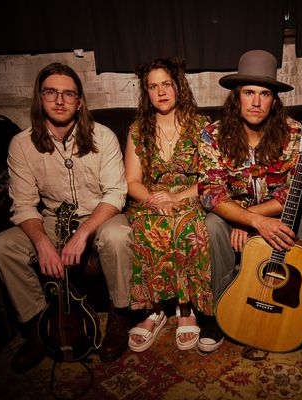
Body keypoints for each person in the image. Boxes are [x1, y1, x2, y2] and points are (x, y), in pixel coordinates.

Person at [0, 62, 135, 371]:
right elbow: (23, 205)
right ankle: (39, 326)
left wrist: (83, 233)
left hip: (100, 214)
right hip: (52, 219)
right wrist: (42, 243)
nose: (59, 100)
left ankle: (120, 315)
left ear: (79, 102)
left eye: (68, 94)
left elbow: (114, 194)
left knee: (119, 234)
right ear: (40, 97)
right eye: (51, 92)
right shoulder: (21, 144)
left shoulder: (103, 136)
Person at [197, 49, 302, 352]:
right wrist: (249, 220)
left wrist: (253, 218)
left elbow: (297, 191)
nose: (256, 102)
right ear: (237, 97)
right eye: (249, 92)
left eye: (265, 94)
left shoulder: (296, 134)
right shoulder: (212, 134)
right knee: (212, 223)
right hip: (232, 215)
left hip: (275, 213)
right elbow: (210, 193)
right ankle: (220, 310)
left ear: (274, 101)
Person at [124, 58, 213, 352]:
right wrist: (155, 200)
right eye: (153, 87)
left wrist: (176, 197)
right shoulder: (138, 130)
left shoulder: (201, 126)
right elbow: (132, 181)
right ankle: (154, 309)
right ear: (146, 93)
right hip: (152, 199)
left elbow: (211, 178)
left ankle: (186, 308)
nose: (161, 92)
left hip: (191, 196)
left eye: (166, 84)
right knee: (146, 224)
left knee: (188, 225)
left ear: (178, 86)